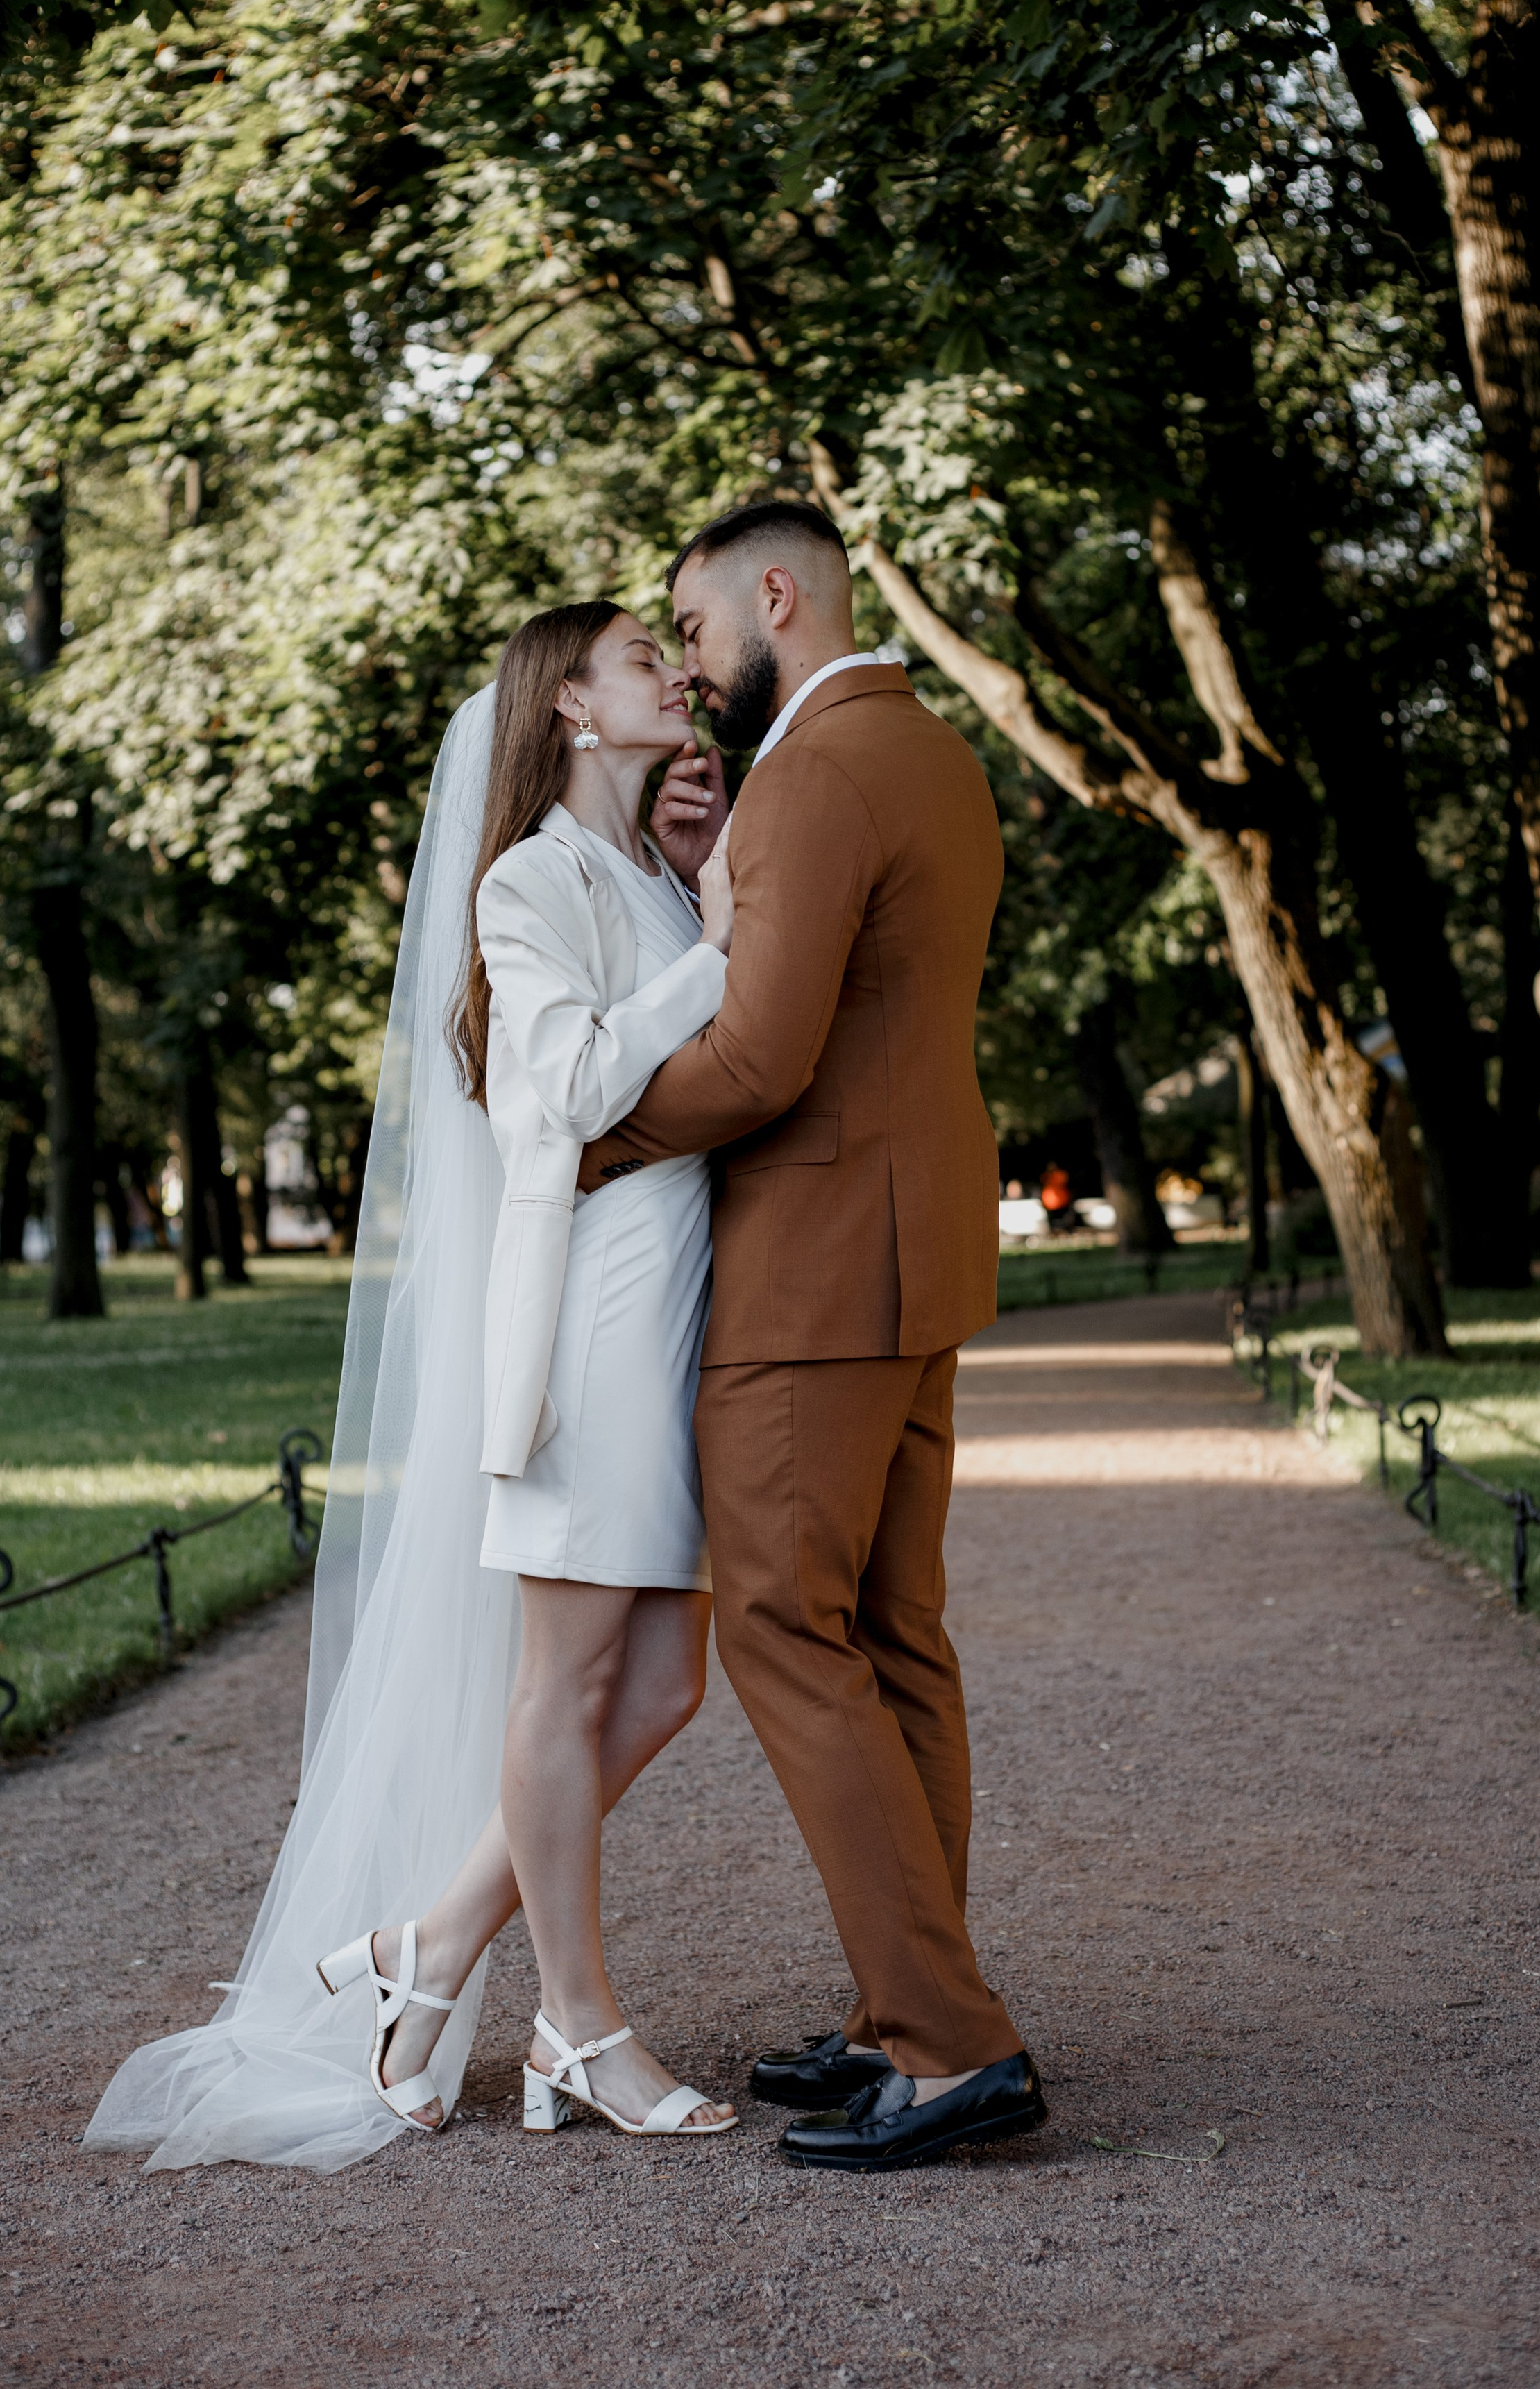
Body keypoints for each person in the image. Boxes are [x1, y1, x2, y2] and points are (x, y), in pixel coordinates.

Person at [85, 602, 738, 2169]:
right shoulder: (526, 879)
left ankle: (431, 1944)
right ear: (571, 706)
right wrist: (711, 956)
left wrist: (700, 891)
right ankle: (576, 2027)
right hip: (584, 1324)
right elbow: (565, 1091)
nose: (677, 674)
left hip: (662, 1315)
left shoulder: (641, 868)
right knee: (571, 1687)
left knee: (659, 1685)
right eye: (645, 658)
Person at [582, 497, 1045, 2172]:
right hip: (917, 1266)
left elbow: (765, 1059)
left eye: (696, 633)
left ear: (777, 594)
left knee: (787, 1633)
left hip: (813, 1274)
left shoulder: (813, 771)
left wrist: (587, 1142)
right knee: (896, 1641)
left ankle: (943, 2039)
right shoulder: (931, 751)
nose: (694, 673)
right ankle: (893, 2012)